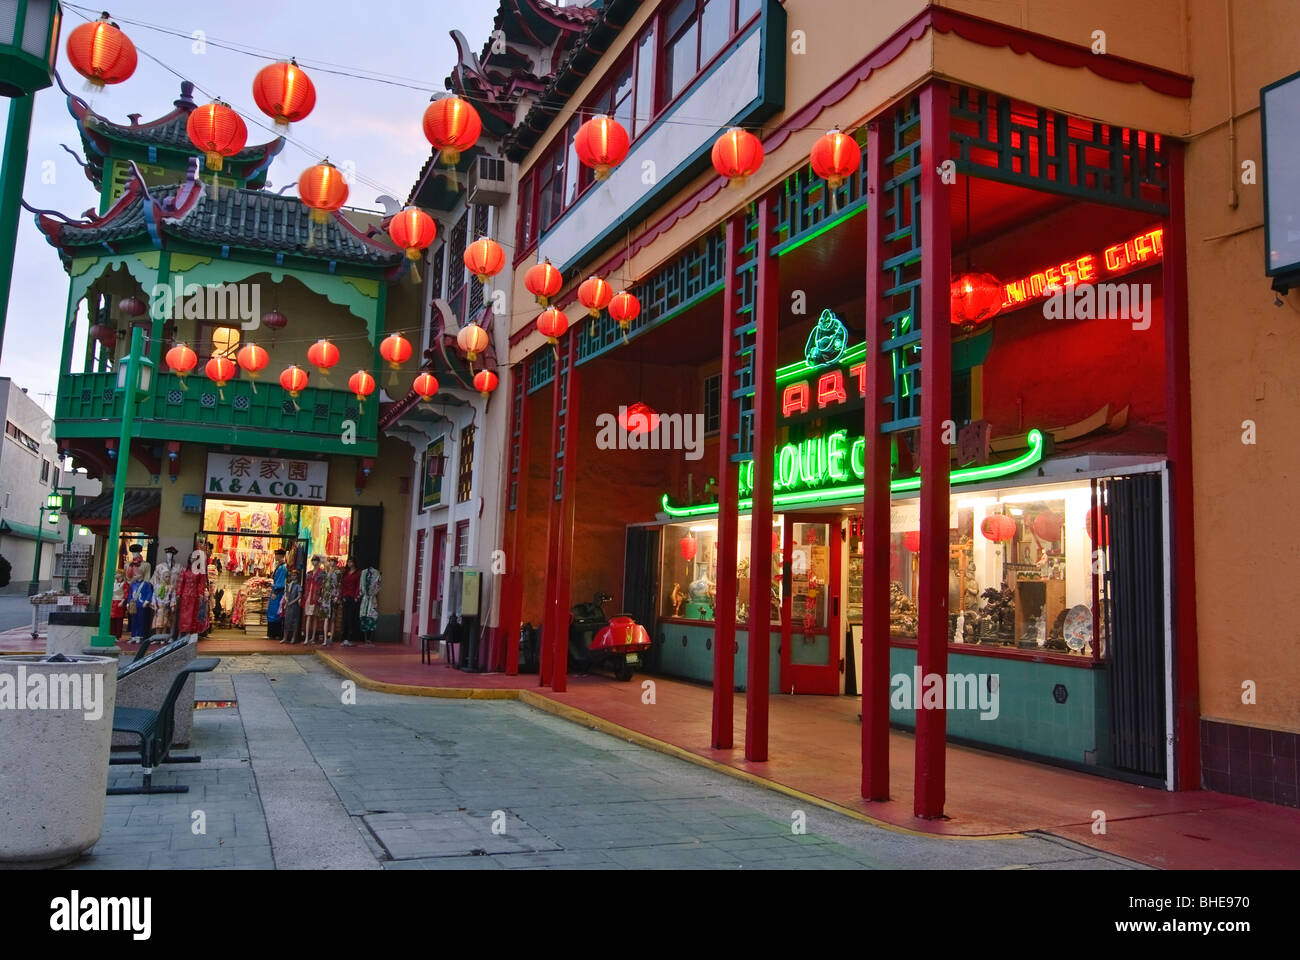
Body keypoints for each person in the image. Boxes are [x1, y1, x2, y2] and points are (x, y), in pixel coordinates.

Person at [125, 565, 154, 644]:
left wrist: (146, 601)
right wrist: (128, 602)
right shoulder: (133, 585)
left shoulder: (146, 584)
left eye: (136, 574)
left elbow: (149, 593)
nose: (134, 576)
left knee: (141, 621)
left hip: (141, 604)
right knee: (133, 621)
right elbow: (130, 594)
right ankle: (133, 635)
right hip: (134, 605)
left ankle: (139, 636)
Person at [319, 557, 340, 646]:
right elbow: (324, 585)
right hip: (326, 596)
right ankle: (325, 638)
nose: (331, 563)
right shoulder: (327, 572)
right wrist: (321, 595)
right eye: (330, 561)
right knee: (326, 617)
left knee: (332, 618)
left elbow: (339, 584)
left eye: (333, 561)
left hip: (333, 596)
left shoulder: (338, 572)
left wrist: (337, 596)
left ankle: (330, 638)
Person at [340, 557, 361, 646]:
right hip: (346, 596)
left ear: (354, 563)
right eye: (348, 562)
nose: (349, 563)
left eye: (351, 562)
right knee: (344, 618)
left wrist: (356, 596)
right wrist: (341, 596)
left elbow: (358, 585)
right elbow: (343, 585)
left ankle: (350, 638)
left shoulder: (358, 573)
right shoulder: (346, 573)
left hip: (353, 597)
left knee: (351, 618)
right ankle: (344, 638)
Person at [266, 549, 287, 639]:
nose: (275, 556)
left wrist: (276, 591)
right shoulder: (280, 566)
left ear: (280, 556)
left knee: (276, 611)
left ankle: (275, 633)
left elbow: (281, 581)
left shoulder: (283, 567)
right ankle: (273, 633)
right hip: (276, 590)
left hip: (278, 592)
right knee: (273, 611)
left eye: (276, 555)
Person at [302, 555, 323, 644]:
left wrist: (321, 596)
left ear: (318, 562)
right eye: (313, 560)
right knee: (308, 616)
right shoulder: (309, 573)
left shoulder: (321, 573)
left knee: (315, 617)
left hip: (316, 596)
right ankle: (307, 637)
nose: (314, 562)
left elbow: (322, 586)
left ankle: (313, 637)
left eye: (316, 560)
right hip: (308, 596)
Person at [359, 564, 381, 646]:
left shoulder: (376, 573)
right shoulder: (363, 573)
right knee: (364, 617)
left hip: (371, 599)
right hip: (365, 599)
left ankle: (370, 639)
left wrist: (373, 593)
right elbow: (361, 585)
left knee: (372, 617)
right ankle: (365, 639)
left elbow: (378, 585)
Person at [280, 569, 302, 645]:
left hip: (294, 606)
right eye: (292, 575)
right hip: (288, 605)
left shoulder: (298, 585)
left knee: (294, 622)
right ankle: (285, 637)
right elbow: (286, 593)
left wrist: (292, 602)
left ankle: (293, 637)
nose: (293, 577)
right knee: (286, 621)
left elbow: (299, 596)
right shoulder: (289, 584)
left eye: (294, 575)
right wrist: (286, 599)